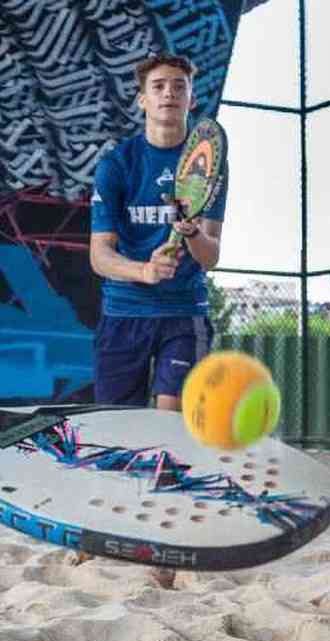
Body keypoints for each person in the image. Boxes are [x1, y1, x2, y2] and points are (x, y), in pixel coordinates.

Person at [89, 52, 228, 410]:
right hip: (124, 313)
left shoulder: (210, 164)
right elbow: (99, 255)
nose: (169, 93)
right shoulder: (116, 165)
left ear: (191, 99)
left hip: (183, 313)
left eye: (179, 86)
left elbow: (210, 257)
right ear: (143, 100)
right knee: (118, 430)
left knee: (171, 424)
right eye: (159, 86)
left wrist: (193, 234)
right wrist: (144, 271)